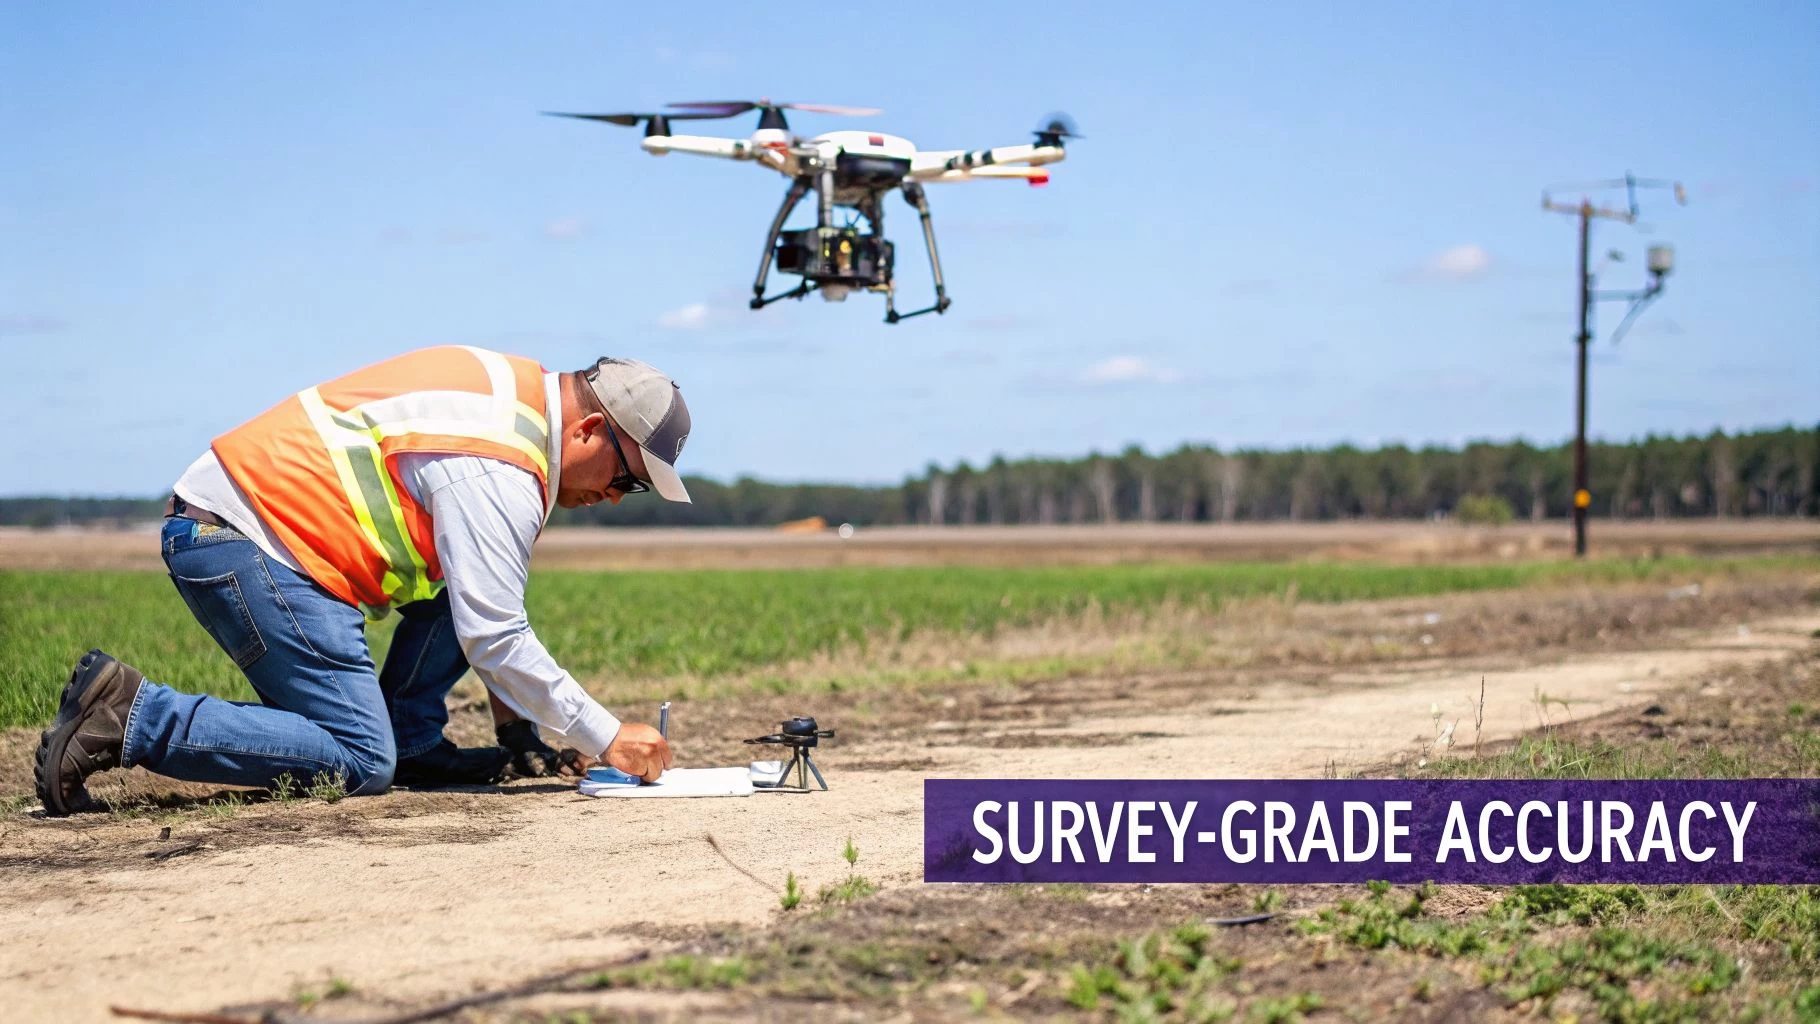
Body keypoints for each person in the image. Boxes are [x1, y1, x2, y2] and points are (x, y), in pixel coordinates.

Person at [34, 347, 686, 815]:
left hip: (254, 529)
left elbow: (483, 603)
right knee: (360, 759)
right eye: (627, 479)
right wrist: (606, 735)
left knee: (464, 591)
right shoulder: (501, 468)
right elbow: (495, 636)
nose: (617, 499)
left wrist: (518, 734)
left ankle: (414, 740)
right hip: (251, 543)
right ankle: (135, 717)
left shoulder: (508, 395)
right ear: (590, 430)